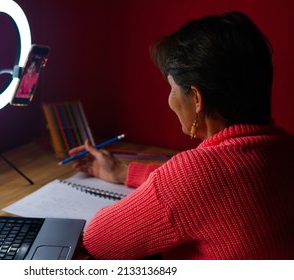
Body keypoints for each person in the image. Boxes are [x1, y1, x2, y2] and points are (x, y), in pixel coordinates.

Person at [68, 11, 294, 259]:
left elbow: (98, 240)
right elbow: (202, 191)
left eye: (172, 88)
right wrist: (122, 171)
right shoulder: (285, 149)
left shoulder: (196, 173)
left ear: (197, 99)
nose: (169, 99)